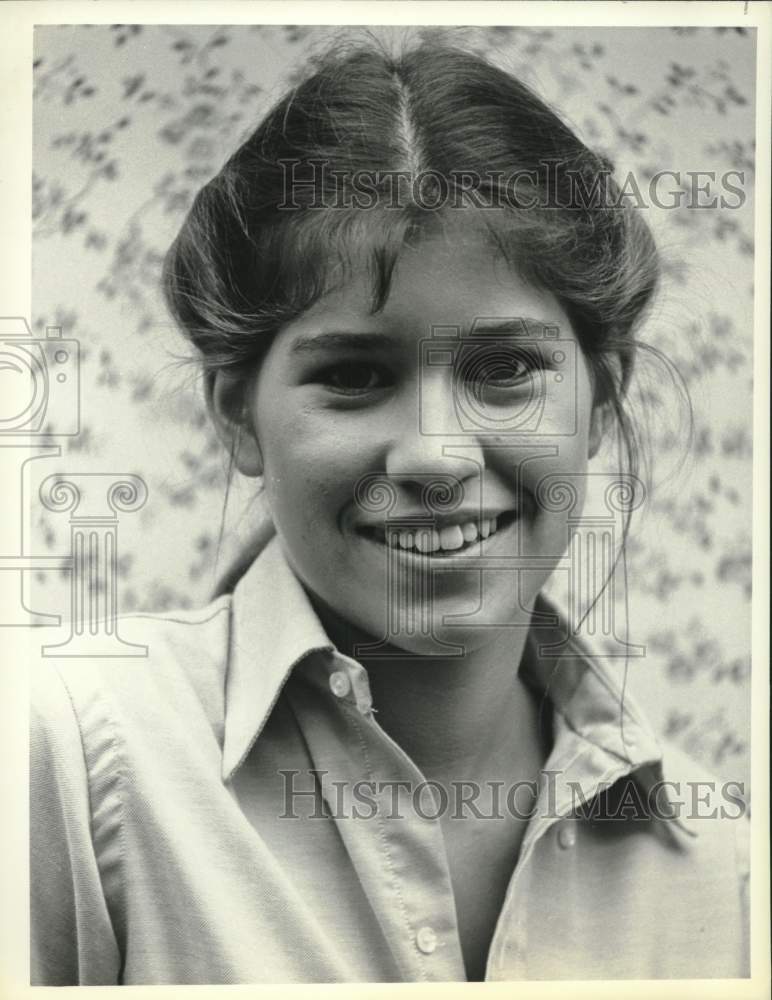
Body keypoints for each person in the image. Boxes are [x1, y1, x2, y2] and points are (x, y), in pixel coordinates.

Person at [30, 40, 749, 985]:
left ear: (602, 405)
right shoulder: (68, 758)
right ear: (240, 416)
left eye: (504, 371)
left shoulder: (726, 868)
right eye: (354, 377)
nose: (437, 458)